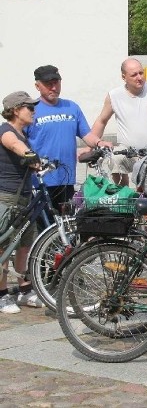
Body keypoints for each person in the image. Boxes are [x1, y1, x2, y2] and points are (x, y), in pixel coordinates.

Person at [26, 65, 102, 216]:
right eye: (48, 84)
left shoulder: (71, 107)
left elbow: (86, 135)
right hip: (41, 181)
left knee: (68, 228)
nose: (53, 88)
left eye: (56, 83)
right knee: (45, 229)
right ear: (37, 86)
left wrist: (99, 143)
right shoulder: (30, 110)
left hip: (66, 178)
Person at [91, 58, 147, 186]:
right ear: (124, 77)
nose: (139, 77)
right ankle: (124, 195)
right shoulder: (114, 96)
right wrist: (90, 144)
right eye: (134, 75)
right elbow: (101, 121)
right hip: (127, 151)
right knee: (115, 160)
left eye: (141, 73)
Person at [0, 91, 44, 313]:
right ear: (16, 110)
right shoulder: (6, 131)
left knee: (25, 246)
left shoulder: (23, 133)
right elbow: (13, 145)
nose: (34, 111)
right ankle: (2, 296)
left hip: (25, 198)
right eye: (30, 108)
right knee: (3, 249)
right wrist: (29, 154)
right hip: (6, 198)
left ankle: (24, 291)